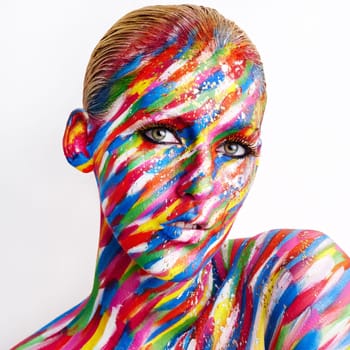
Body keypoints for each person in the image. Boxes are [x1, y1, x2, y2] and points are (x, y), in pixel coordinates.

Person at [13, 4, 350, 350]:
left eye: (233, 149)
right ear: (82, 142)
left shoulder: (296, 281)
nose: (202, 188)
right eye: (162, 136)